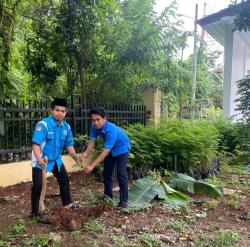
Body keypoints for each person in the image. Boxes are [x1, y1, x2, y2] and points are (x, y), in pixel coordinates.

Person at [31, 98, 78, 219]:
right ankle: (36, 212)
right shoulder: (44, 124)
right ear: (52, 110)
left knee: (64, 180)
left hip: (56, 159)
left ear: (66, 112)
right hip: (41, 160)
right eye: (57, 110)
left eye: (63, 111)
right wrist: (39, 160)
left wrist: (76, 159)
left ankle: (67, 203)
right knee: (38, 185)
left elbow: (69, 145)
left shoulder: (66, 127)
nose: (60, 113)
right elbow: (36, 144)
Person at [80, 107, 130, 208]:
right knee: (106, 172)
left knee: (121, 173)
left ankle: (123, 201)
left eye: (98, 119)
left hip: (122, 149)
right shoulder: (94, 127)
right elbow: (92, 143)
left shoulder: (111, 130)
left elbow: (105, 151)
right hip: (111, 149)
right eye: (93, 120)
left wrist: (92, 165)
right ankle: (108, 196)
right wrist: (85, 154)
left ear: (104, 118)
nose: (95, 123)